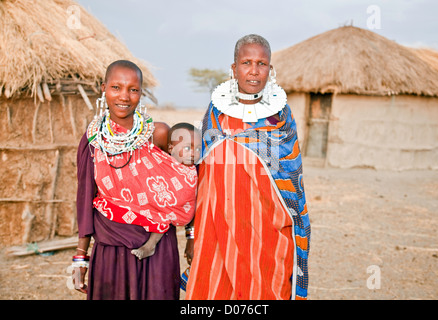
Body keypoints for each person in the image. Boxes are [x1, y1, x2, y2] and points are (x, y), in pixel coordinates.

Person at [185, 34, 311, 300]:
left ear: (270, 69)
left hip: (266, 232)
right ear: (234, 68)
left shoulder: (280, 118)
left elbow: (290, 179)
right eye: (246, 62)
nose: (254, 71)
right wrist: (192, 232)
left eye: (261, 63)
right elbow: (201, 175)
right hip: (215, 230)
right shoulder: (215, 113)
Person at [73, 60, 197, 300]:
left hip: (158, 250)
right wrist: (80, 257)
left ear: (141, 93)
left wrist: (191, 237)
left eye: (133, 89)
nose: (124, 96)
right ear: (103, 89)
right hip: (111, 247)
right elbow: (85, 199)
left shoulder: (158, 133)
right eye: (116, 88)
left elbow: (188, 185)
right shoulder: (92, 141)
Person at [131, 122, 201, 260]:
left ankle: (150, 245)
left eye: (198, 149)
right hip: (150, 204)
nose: (193, 154)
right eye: (187, 148)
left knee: (165, 215)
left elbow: (186, 196)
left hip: (170, 210)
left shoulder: (192, 171)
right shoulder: (162, 162)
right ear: (170, 148)